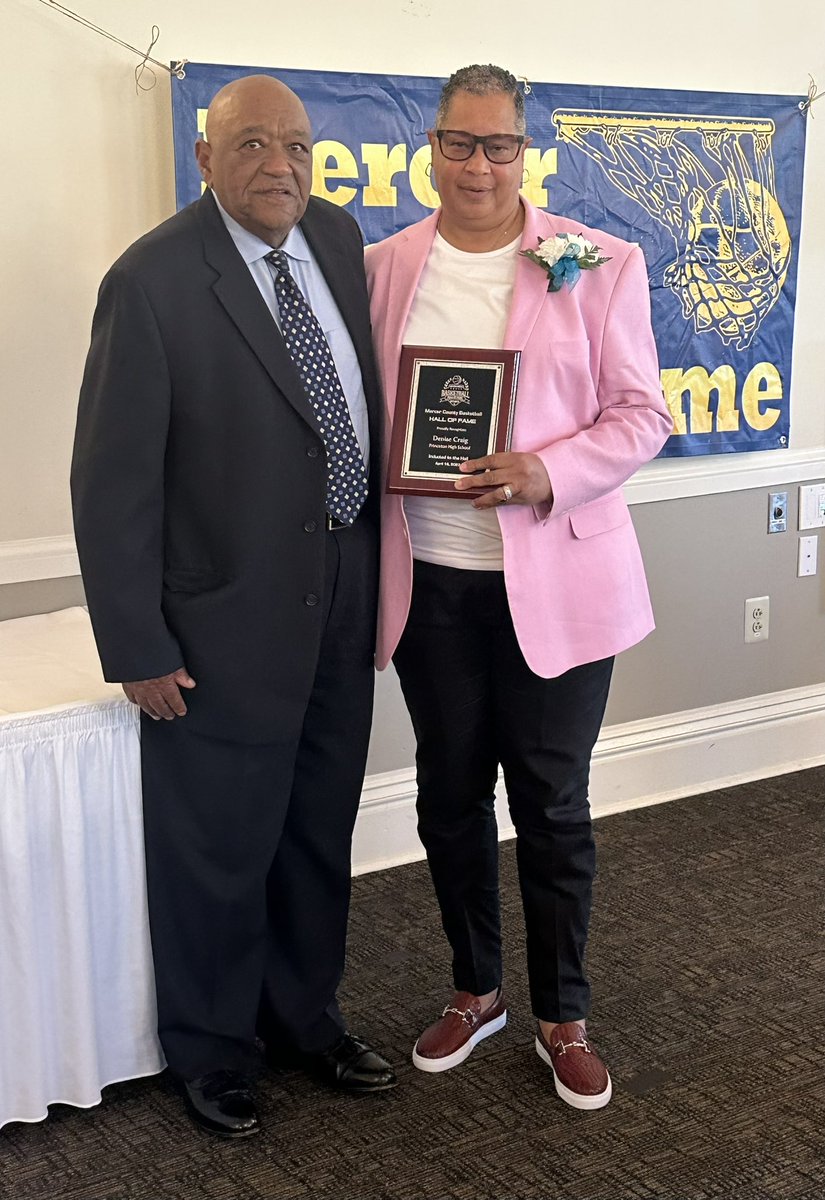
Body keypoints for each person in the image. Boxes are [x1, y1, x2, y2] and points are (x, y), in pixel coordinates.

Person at [71, 74, 396, 1139]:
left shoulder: (341, 242)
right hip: (216, 627)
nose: (280, 166)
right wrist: (136, 644)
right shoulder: (153, 281)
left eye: (297, 146)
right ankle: (213, 1050)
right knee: (217, 849)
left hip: (341, 600)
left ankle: (306, 1016)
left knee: (314, 830)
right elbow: (112, 483)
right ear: (205, 158)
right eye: (252, 144)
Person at [365, 64, 672, 1111]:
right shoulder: (385, 266)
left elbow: (642, 415)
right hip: (432, 584)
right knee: (449, 801)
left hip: (561, 582)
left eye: (499, 146)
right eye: (460, 143)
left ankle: (563, 1014)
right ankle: (474, 987)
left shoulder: (595, 263)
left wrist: (550, 471)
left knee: (553, 806)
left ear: (525, 152)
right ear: (433, 148)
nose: (479, 165)